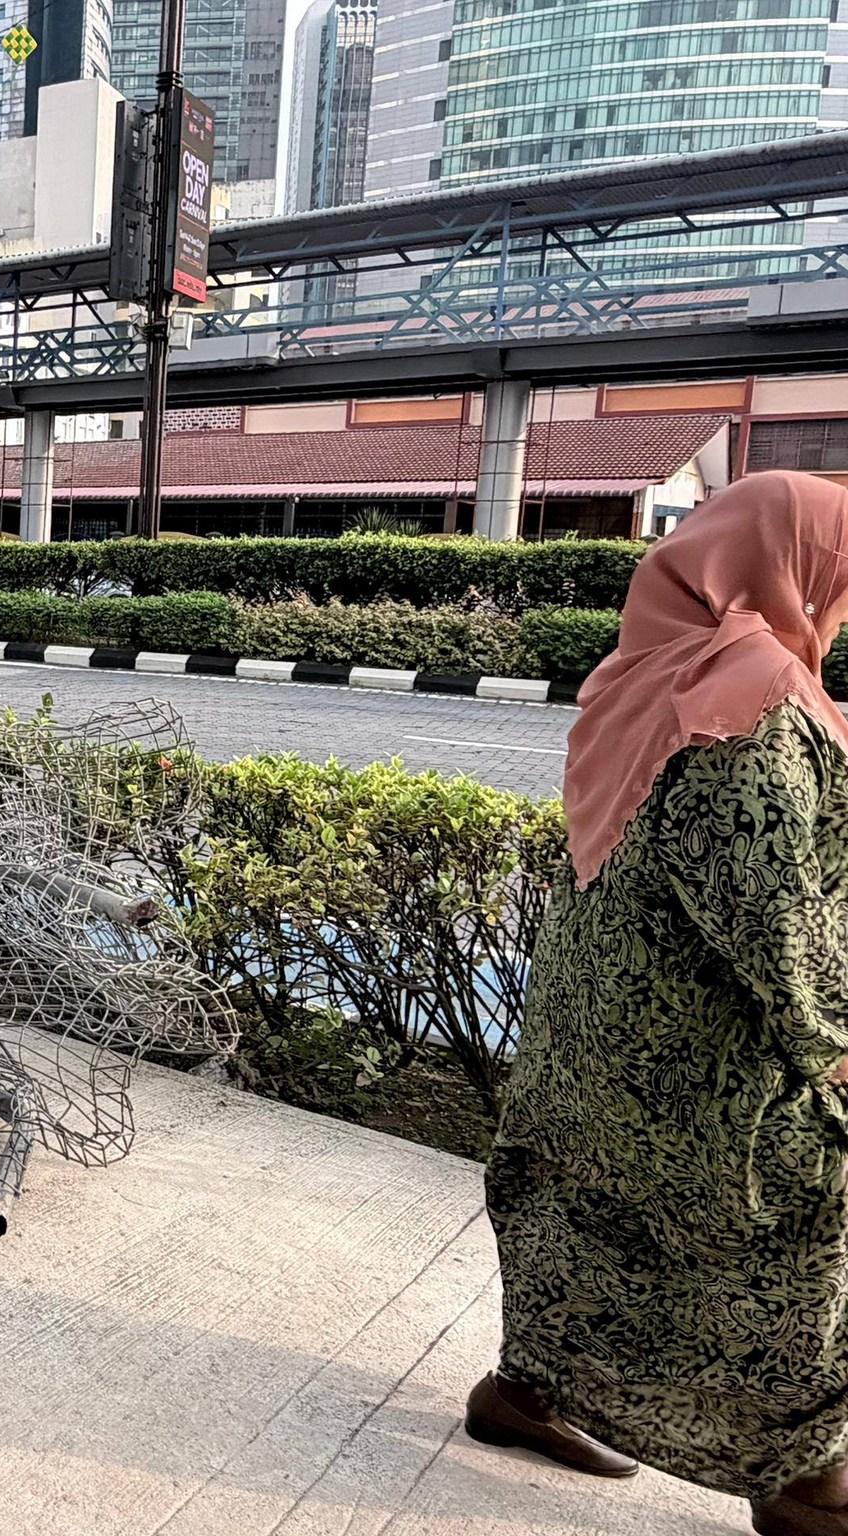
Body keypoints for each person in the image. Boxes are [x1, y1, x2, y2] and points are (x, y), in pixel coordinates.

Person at [466, 470, 848, 1536]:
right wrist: (834, 1045)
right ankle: (804, 1481)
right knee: (793, 1233)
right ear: (792, 566)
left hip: (587, 1027)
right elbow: (766, 910)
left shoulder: (648, 663)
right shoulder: (751, 699)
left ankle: (523, 1392)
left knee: (574, 1213)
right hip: (696, 1055)